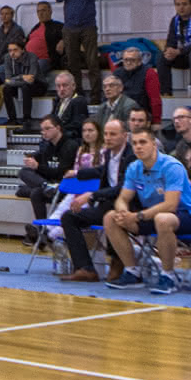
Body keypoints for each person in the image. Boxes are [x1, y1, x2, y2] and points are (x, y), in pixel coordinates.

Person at [104, 128, 191, 296]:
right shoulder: (134, 167)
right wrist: (123, 213)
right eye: (134, 143)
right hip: (151, 215)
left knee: (163, 219)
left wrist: (137, 216)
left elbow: (171, 205)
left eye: (143, 142)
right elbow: (122, 198)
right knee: (111, 217)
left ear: (154, 144)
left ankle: (168, 275)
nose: (138, 147)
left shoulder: (172, 166)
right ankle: (132, 272)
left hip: (184, 215)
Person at [57, 118, 135, 283]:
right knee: (69, 217)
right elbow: (102, 171)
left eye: (113, 134)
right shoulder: (107, 154)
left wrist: (92, 195)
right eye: (106, 134)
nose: (108, 137)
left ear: (124, 136)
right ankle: (85, 268)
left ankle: (117, 259)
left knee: (110, 215)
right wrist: (79, 173)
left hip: (129, 205)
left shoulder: (131, 156)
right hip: (107, 203)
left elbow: (122, 187)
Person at [55, 0, 103, 100]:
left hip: (88, 26)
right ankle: (77, 95)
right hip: (70, 27)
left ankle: (96, 95)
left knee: (92, 63)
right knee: (72, 64)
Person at [15, 116, 77, 232]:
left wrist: (37, 167)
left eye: (47, 129)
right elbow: (45, 171)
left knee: (33, 191)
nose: (44, 133)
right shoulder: (47, 146)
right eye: (42, 130)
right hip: (50, 184)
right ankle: (46, 186)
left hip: (64, 185)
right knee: (24, 172)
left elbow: (61, 173)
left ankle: (41, 231)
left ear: (58, 128)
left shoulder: (70, 146)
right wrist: (34, 164)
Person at [0, 41, 46, 130]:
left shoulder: (32, 57)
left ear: (23, 50)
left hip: (38, 85)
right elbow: (7, 80)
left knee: (26, 87)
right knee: (6, 89)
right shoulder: (8, 58)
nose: (12, 53)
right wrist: (22, 77)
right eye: (10, 50)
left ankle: (27, 118)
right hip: (19, 86)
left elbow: (31, 79)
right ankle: (12, 119)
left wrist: (14, 80)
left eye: (15, 50)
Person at [48, 72, 88, 140]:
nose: (61, 89)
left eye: (65, 85)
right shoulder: (57, 101)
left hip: (72, 140)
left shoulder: (79, 101)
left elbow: (77, 126)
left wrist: (57, 131)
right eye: (58, 86)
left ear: (73, 86)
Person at [25, 1, 64, 72]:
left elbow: (69, 36)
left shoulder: (58, 26)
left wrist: (63, 41)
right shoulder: (35, 28)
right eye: (38, 11)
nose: (40, 13)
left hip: (44, 60)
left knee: (36, 68)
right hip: (28, 59)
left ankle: (18, 81)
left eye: (43, 10)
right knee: (2, 69)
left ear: (50, 11)